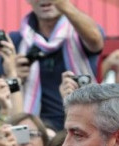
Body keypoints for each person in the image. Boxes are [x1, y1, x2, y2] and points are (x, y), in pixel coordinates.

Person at [9, 0, 104, 130]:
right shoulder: (15, 41)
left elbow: (95, 40)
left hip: (80, 126)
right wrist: (13, 78)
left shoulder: (81, 32)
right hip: (33, 134)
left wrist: (64, 5)